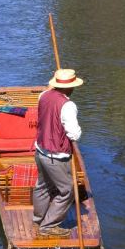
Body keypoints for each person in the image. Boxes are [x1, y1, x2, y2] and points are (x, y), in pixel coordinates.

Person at [32, 68, 84, 237]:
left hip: (40, 151)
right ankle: (48, 226)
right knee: (67, 190)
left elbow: (49, 89)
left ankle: (38, 219)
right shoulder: (68, 105)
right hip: (56, 157)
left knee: (42, 186)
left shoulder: (43, 95)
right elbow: (74, 134)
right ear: (70, 88)